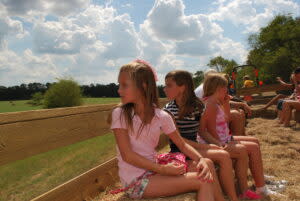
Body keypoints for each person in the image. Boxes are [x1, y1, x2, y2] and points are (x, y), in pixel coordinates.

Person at [108, 60, 218, 201]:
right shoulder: (120, 114)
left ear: (143, 86)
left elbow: (182, 144)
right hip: (136, 182)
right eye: (119, 85)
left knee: (206, 166)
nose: (119, 90)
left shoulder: (161, 116)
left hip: (153, 172)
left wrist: (200, 159)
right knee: (203, 180)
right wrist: (163, 169)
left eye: (124, 85)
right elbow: (127, 155)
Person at [163, 70, 243, 201]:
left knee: (223, 153)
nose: (165, 89)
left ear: (182, 87)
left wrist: (216, 143)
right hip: (180, 151)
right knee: (221, 156)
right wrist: (206, 147)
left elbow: (202, 131)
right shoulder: (168, 110)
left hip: (194, 147)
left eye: (169, 85)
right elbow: (179, 141)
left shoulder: (198, 106)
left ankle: (233, 197)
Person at [200, 73, 279, 197]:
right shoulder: (210, 104)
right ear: (220, 89)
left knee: (255, 141)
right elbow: (209, 130)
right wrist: (220, 145)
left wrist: (226, 103)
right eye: (226, 88)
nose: (227, 91)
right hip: (216, 141)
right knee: (252, 148)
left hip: (223, 138)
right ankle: (259, 188)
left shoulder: (216, 102)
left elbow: (225, 120)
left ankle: (259, 178)